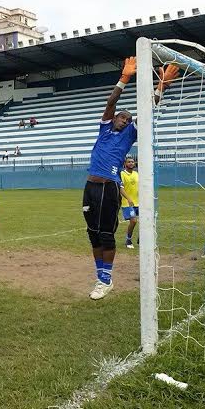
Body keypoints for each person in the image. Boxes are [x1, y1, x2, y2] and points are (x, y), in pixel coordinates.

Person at [84, 56, 179, 301]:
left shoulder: (129, 135)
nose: (124, 121)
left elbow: (147, 111)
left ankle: (105, 280)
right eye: (122, 117)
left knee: (106, 234)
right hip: (90, 187)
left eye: (128, 120)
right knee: (92, 233)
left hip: (109, 187)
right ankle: (100, 276)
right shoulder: (104, 127)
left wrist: (161, 88)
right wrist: (124, 79)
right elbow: (110, 102)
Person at [119, 157, 139, 249]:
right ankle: (128, 239)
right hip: (127, 203)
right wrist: (128, 198)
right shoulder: (122, 174)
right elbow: (120, 188)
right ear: (125, 164)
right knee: (133, 221)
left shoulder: (136, 174)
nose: (131, 163)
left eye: (132, 162)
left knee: (146, 221)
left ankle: (141, 238)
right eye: (129, 162)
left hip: (139, 202)